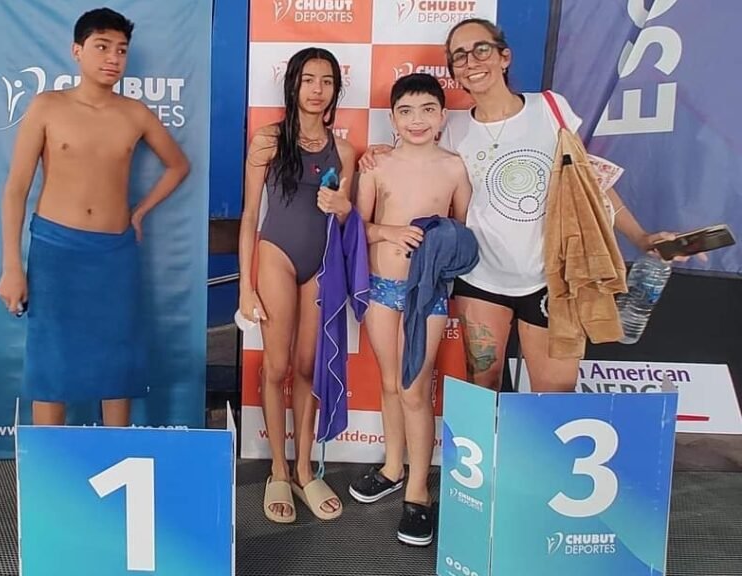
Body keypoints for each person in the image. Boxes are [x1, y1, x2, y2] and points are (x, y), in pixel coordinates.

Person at [360, 18, 687, 393]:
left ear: (504, 56)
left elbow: (590, 182)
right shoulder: (451, 129)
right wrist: (380, 151)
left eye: (481, 49)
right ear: (453, 70)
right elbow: (416, 158)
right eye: (459, 56)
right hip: (479, 280)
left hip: (551, 280)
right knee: (483, 390)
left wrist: (641, 237)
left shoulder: (549, 108)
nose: (471, 61)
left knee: (555, 396)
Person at [0, 8, 190, 426]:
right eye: (102, 47)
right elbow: (15, 189)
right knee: (51, 363)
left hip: (114, 252)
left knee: (116, 360)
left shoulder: (135, 114)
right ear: (77, 51)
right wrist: (11, 266)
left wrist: (140, 211)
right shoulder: (47, 106)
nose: (113, 58)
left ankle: (115, 452)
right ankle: (50, 458)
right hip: (55, 250)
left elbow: (178, 165)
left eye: (121, 50)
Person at [347, 74, 472, 546]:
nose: (416, 120)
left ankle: (418, 491)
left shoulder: (454, 167)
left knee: (415, 390)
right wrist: (390, 233)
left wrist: (440, 248)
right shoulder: (376, 164)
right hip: (380, 289)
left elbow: (464, 233)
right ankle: (392, 467)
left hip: (428, 295)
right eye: (406, 111)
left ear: (442, 116)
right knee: (388, 382)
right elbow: (357, 227)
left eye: (426, 110)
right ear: (393, 118)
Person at [239, 47, 356, 523]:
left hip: (320, 265)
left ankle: (305, 470)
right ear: (293, 84)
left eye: (326, 81)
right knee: (277, 365)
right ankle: (278, 470)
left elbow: (347, 220)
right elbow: (250, 215)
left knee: (308, 366)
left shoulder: (344, 152)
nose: (317, 89)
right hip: (277, 257)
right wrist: (245, 287)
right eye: (308, 80)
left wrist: (343, 208)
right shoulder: (268, 140)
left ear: (335, 90)